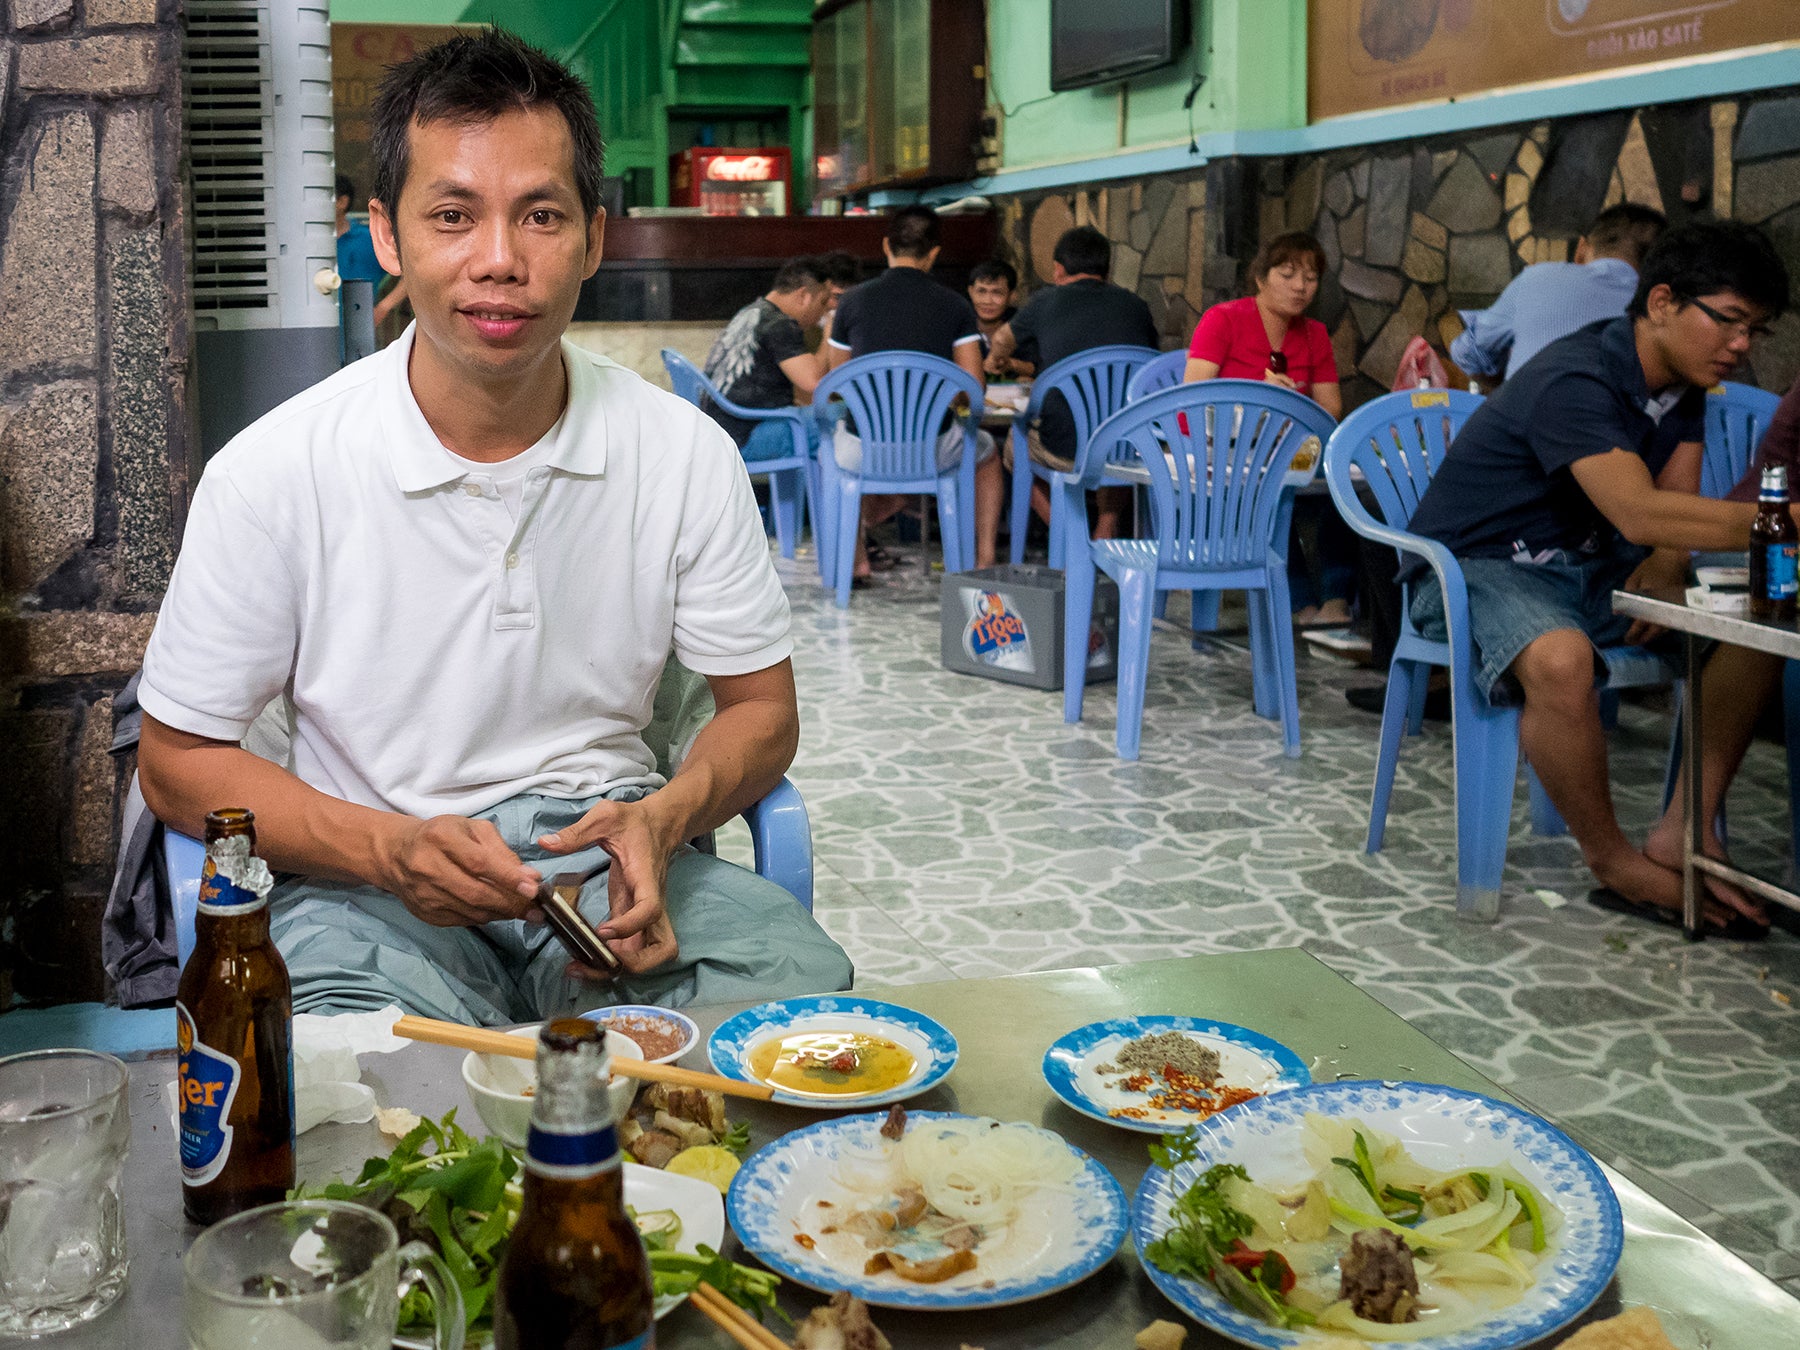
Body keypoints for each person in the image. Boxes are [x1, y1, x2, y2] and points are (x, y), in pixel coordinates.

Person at [135, 30, 853, 1025]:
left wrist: (668, 814)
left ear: (595, 237)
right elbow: (176, 762)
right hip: (370, 882)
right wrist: (385, 848)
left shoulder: (682, 456)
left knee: (791, 1035)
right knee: (364, 1102)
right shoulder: (273, 471)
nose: (501, 261)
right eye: (453, 216)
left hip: (601, 858)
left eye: (542, 215)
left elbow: (762, 713)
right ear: (387, 237)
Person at [1403, 220, 1789, 935]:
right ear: (1664, 301)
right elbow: (1640, 512)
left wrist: (1669, 570)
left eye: (1756, 331)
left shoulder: (1685, 389)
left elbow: (1664, 525)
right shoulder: (1574, 376)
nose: (1741, 346)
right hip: (1478, 566)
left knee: (1754, 628)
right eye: (1730, 322)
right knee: (1560, 657)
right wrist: (1783, 517)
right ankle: (1612, 860)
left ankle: (1686, 829)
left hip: (1585, 568)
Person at [826, 205, 1003, 575]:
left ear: (886, 246)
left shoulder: (851, 303)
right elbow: (973, 389)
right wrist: (934, 398)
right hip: (931, 451)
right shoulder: (955, 305)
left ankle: (857, 559)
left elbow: (836, 388)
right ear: (935, 253)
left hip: (864, 451)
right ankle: (984, 558)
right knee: (987, 453)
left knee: (832, 448)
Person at [1185, 231, 1350, 626]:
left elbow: (1331, 408)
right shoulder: (1223, 319)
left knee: (1349, 492)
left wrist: (1291, 412)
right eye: (1288, 274)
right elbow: (1194, 394)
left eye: (1310, 278)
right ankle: (1299, 602)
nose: (1300, 286)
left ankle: (1336, 602)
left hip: (1291, 452)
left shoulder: (1314, 334)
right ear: (1261, 278)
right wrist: (1258, 398)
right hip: (1224, 454)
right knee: (1272, 500)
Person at [984, 226, 1157, 541]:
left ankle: (1071, 534)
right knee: (1114, 437)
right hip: (1125, 445)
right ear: (1106, 270)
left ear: (1059, 270)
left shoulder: (1044, 301)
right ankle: (1106, 526)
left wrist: (995, 359)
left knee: (1014, 445)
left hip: (1063, 447)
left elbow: (1001, 339)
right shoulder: (1136, 306)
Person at [1452, 203, 1666, 386]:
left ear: (1582, 248)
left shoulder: (1536, 279)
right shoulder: (1664, 313)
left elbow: (1468, 354)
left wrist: (1509, 386)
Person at [701, 257, 830, 461]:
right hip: (745, 438)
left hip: (718, 434)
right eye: (823, 302)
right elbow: (814, 383)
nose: (824, 312)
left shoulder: (750, 312)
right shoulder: (779, 324)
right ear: (804, 295)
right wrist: (830, 334)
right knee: (845, 418)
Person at [335, 173, 408, 329]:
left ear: (342, 202)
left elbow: (412, 271)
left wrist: (384, 307)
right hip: (308, 338)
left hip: (357, 340)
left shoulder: (369, 239)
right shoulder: (302, 246)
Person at [967, 259, 1019, 364]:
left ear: (1012, 296)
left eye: (997, 293)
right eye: (981, 291)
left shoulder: (1020, 325)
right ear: (971, 291)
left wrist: (1011, 365)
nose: (987, 301)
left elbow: (1036, 367)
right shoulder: (958, 322)